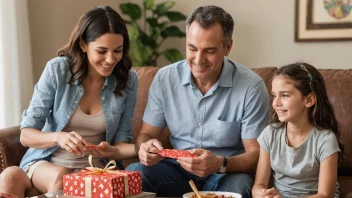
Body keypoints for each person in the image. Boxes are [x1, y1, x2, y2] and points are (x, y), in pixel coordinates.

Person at [126, 5, 270, 198]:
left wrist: (220, 162)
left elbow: (256, 155)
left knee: (241, 185)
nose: (198, 59)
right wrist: (145, 148)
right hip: (177, 171)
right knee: (136, 171)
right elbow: (146, 134)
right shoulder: (165, 78)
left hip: (226, 173)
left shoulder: (251, 86)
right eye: (192, 48)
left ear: (227, 48)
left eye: (209, 51)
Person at [0, 5, 138, 197]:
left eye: (117, 50)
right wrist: (59, 137)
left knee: (53, 178)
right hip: (48, 164)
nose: (110, 59)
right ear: (83, 45)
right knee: (15, 176)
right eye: (101, 50)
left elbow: (122, 143)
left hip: (95, 172)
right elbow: (26, 135)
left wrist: (121, 149)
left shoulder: (128, 80)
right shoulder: (58, 70)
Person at [252, 63, 344, 198]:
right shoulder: (270, 134)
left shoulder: (325, 140)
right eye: (274, 95)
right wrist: (261, 194)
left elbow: (325, 195)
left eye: (284, 95)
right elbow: (258, 185)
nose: (276, 103)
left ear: (309, 100)